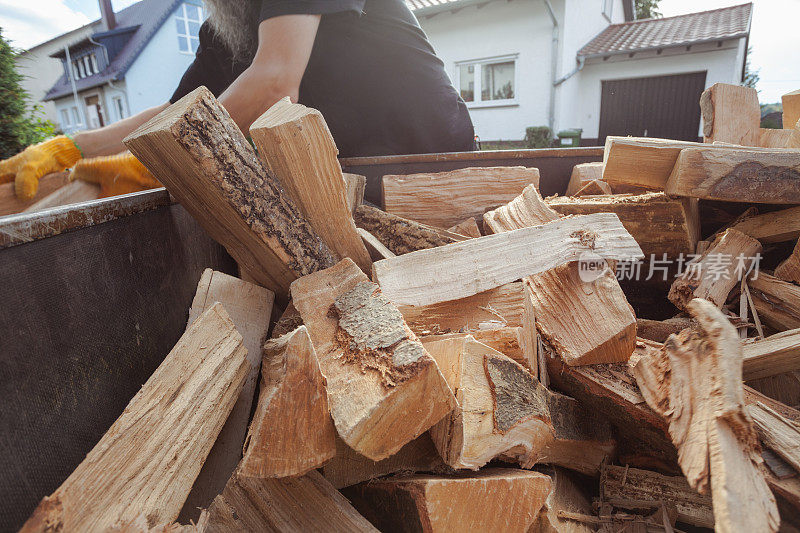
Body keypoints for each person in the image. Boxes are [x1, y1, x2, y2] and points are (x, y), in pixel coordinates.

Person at [0, 0, 474, 200]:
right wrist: (73, 148)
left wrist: (169, 161)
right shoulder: (227, 21)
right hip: (347, 175)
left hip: (431, 164)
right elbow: (178, 111)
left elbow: (274, 82)